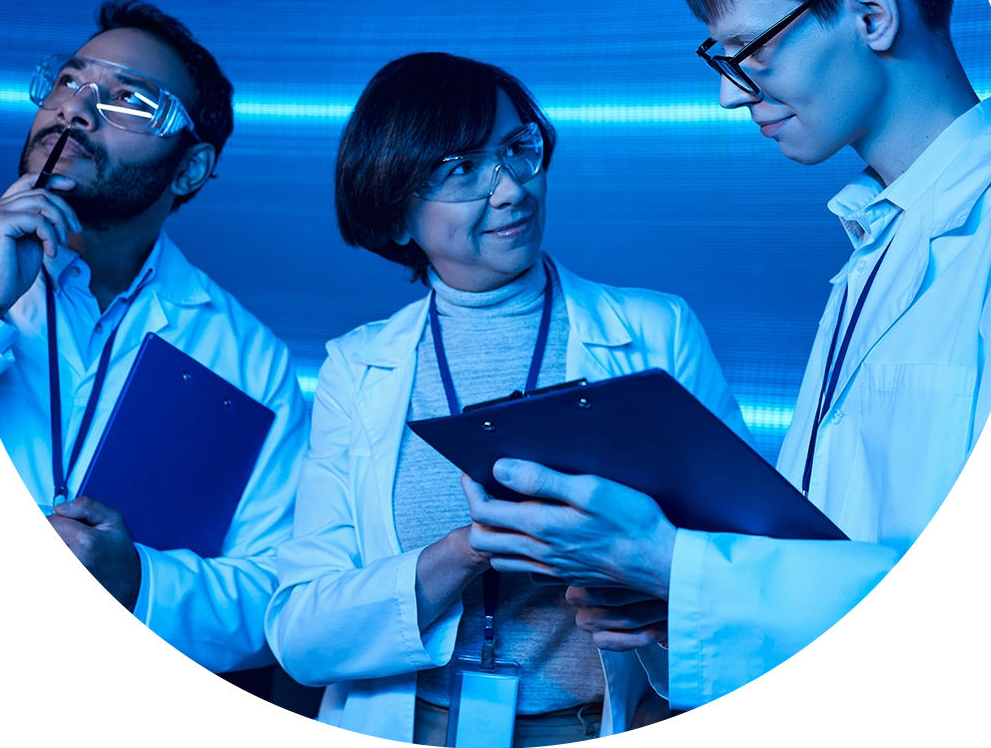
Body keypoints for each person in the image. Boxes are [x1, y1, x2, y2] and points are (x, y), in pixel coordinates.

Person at [460, 0, 991, 710]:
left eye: (747, 48)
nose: (730, 90)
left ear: (871, 15)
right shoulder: (879, 244)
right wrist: (669, 604)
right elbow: (835, 563)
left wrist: (674, 561)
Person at [264, 52, 749, 743]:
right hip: (411, 728)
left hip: (587, 729)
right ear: (396, 213)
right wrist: (467, 549)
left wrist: (644, 583)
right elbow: (302, 633)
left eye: (518, 149)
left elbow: (740, 572)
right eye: (462, 169)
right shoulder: (356, 366)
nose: (511, 189)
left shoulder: (655, 333)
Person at [0, 0, 310, 675]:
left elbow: (274, 596)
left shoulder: (249, 359)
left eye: (132, 102)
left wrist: (138, 583)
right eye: (70, 81)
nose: (75, 110)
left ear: (191, 169)